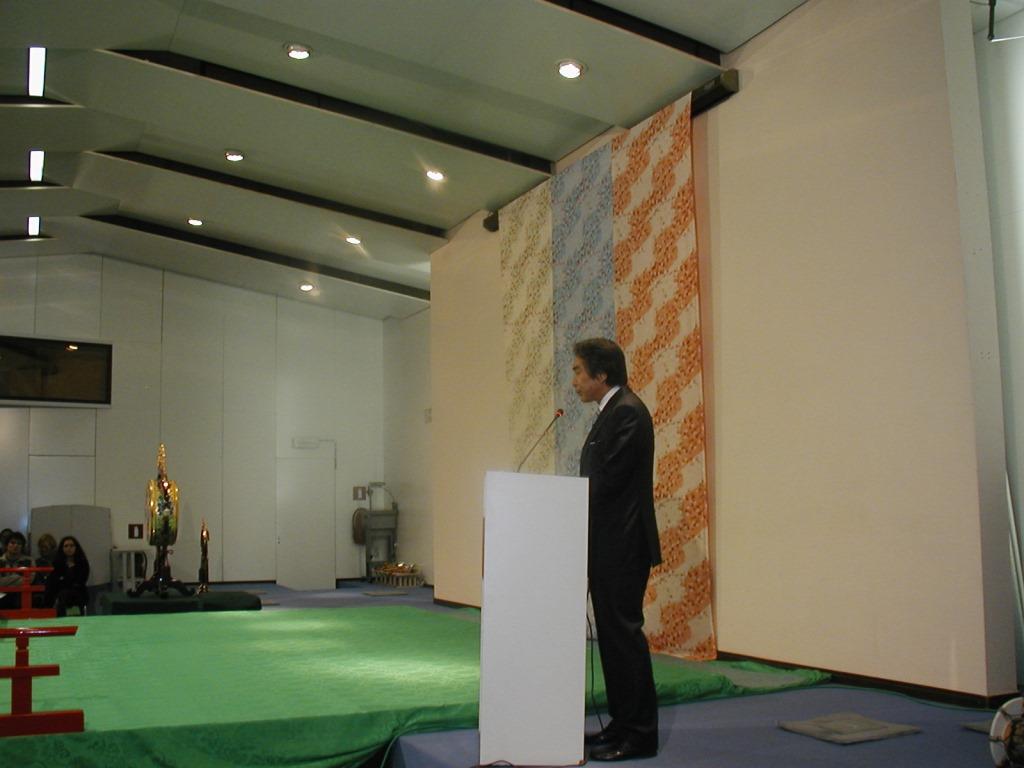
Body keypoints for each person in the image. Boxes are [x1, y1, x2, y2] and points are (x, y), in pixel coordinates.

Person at [572, 338, 661, 762]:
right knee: (610, 638)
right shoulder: (611, 411)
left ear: (601, 374)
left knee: (623, 637)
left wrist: (567, 501)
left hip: (623, 545)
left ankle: (640, 735)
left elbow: (607, 482)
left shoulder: (627, 412)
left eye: (578, 371)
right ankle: (622, 724)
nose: (574, 380)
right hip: (608, 543)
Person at [45, 536, 90, 616]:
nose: (69, 548)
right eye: (66, 546)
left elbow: (81, 580)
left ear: (76, 548)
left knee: (66, 595)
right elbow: (54, 581)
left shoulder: (82, 563)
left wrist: (64, 580)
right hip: (60, 593)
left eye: (71, 546)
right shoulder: (57, 563)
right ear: (62, 548)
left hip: (78, 592)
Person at [0, 531, 33, 609]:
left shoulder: (29, 561)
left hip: (20, 594)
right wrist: (17, 577)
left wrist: (6, 582)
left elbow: (29, 580)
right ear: (6, 545)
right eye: (12, 543)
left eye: (19, 543)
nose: (16, 546)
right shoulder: (0, 561)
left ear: (22, 547)